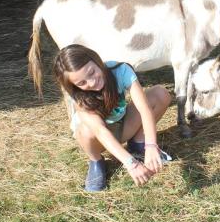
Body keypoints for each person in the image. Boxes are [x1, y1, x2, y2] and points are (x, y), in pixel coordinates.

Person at [53, 44, 172, 191]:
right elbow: (100, 131)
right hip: (99, 140)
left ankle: (138, 143)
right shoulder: (78, 97)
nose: (91, 82)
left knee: (160, 93)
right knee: (85, 130)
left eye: (91, 72)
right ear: (74, 86)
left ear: (96, 60)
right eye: (81, 83)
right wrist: (131, 164)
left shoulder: (120, 70)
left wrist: (151, 145)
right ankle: (96, 161)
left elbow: (144, 108)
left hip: (124, 124)